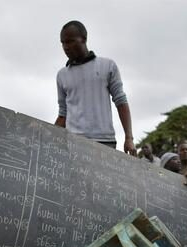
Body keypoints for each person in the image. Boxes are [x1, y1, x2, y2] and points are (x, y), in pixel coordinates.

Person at [54, 20, 135, 155]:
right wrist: (47, 136)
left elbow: (121, 102)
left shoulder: (107, 66)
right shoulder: (62, 75)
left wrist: (129, 138)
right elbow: (63, 113)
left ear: (84, 39)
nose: (66, 47)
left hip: (104, 142)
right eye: (63, 43)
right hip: (73, 142)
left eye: (70, 41)